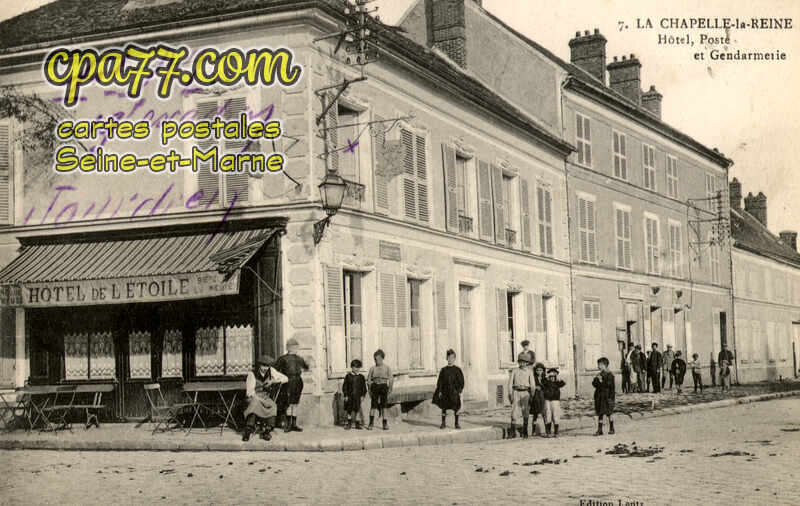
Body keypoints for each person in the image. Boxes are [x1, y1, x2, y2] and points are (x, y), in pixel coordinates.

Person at [242, 355, 287, 442]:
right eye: (263, 366)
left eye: (267, 366)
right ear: (260, 365)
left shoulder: (271, 371)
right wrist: (258, 398)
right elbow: (250, 392)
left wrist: (273, 381)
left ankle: (267, 431)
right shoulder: (252, 374)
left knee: (273, 405)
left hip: (265, 396)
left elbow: (285, 378)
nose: (265, 368)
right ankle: (248, 430)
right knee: (254, 403)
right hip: (254, 396)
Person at [275, 338, 309, 433]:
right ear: (290, 347)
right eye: (294, 347)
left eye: (296, 347)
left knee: (294, 403)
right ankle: (289, 424)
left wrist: (307, 362)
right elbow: (275, 370)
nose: (296, 348)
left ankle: (293, 425)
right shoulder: (284, 359)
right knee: (290, 403)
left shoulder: (296, 358)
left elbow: (306, 367)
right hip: (289, 381)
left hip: (295, 381)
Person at [433, 349, 465, 430]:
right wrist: (440, 391)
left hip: (454, 392)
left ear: (454, 359)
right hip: (445, 392)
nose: (450, 359)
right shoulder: (444, 370)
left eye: (452, 357)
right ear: (446, 358)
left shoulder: (457, 370)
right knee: (444, 407)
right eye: (448, 357)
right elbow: (440, 381)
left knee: (456, 407)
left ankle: (456, 423)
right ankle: (443, 423)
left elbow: (461, 381)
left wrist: (459, 390)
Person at [507, 352, 534, 439]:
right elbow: (510, 383)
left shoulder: (529, 372)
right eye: (520, 362)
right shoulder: (515, 371)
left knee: (525, 411)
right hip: (516, 392)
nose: (522, 364)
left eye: (524, 362)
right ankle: (512, 431)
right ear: (518, 362)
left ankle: (525, 431)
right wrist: (510, 394)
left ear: (527, 363)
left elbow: (532, 384)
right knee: (514, 412)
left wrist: (532, 395)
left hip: (525, 392)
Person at [367, 349, 393, 430]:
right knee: (373, 406)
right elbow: (368, 380)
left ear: (382, 358)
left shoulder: (387, 368)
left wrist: (390, 388)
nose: (376, 361)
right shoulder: (372, 368)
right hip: (375, 387)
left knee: (384, 406)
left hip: (383, 386)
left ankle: (385, 424)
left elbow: (391, 379)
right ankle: (371, 423)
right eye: (375, 359)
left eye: (378, 359)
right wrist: (369, 390)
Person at [592, 357, 615, 436]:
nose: (598, 366)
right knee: (600, 412)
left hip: (607, 396)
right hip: (600, 396)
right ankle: (600, 429)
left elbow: (609, 385)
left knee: (609, 412)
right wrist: (597, 380)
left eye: (600, 364)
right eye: (598, 364)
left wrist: (601, 381)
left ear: (604, 365)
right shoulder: (599, 374)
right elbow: (594, 384)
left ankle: (612, 428)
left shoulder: (610, 374)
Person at [342, 359, 367, 430]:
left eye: (358, 367)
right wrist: (346, 395)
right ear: (352, 367)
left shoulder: (361, 377)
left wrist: (363, 395)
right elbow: (345, 387)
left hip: (357, 397)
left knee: (357, 409)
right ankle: (349, 423)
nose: (356, 369)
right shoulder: (348, 376)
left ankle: (357, 423)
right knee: (349, 410)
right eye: (355, 367)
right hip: (350, 396)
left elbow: (364, 387)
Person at [542, 368, 565, 437]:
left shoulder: (557, 383)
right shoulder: (546, 382)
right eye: (551, 376)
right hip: (547, 400)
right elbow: (543, 381)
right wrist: (547, 375)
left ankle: (556, 432)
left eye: (554, 376)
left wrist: (558, 376)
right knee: (548, 415)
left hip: (555, 400)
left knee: (555, 415)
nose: (552, 378)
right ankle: (548, 432)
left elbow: (563, 383)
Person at [529, 362, 547, 437]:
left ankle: (547, 430)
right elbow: (530, 386)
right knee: (535, 415)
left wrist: (543, 388)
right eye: (537, 370)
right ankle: (533, 431)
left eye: (540, 370)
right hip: (536, 398)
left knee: (544, 414)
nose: (539, 372)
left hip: (543, 397)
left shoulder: (545, 378)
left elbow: (547, 387)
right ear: (535, 371)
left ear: (543, 371)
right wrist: (535, 387)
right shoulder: (533, 378)